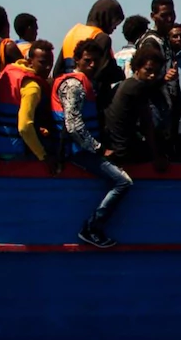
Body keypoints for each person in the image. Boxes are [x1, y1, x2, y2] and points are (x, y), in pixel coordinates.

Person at [48, 34, 131, 248]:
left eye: (96, 60)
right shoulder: (74, 85)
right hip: (77, 150)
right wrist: (99, 148)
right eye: (87, 60)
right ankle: (92, 228)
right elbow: (73, 124)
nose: (92, 65)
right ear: (77, 60)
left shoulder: (88, 83)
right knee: (123, 182)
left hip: (83, 147)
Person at [103, 42, 172, 170]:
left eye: (156, 72)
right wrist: (156, 156)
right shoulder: (137, 87)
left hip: (113, 144)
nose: (152, 75)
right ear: (137, 68)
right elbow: (147, 124)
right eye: (148, 70)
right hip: (122, 151)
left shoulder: (125, 84)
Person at [0, 39, 54, 159]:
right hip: (14, 150)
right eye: (42, 62)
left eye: (50, 63)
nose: (48, 67)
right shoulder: (32, 87)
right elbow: (24, 127)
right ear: (30, 61)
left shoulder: (10, 70)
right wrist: (42, 155)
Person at [61, 0, 124, 64]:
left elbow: (57, 70)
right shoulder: (102, 38)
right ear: (106, 18)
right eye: (114, 23)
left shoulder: (72, 33)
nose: (115, 28)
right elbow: (104, 70)